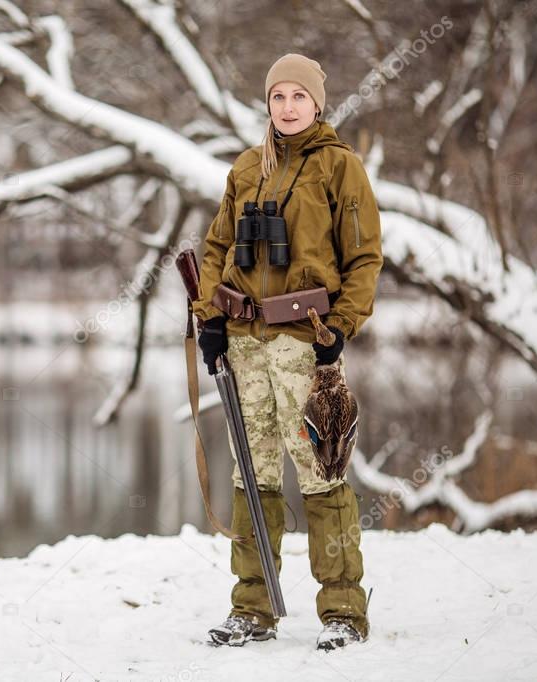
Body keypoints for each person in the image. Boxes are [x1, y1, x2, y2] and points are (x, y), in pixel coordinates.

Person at [192, 53, 383, 651]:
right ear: (268, 103)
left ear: (318, 104)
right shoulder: (247, 167)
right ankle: (252, 608)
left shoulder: (339, 168)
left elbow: (364, 259)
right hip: (245, 345)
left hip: (308, 344)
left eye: (300, 96)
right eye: (279, 96)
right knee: (253, 476)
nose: (288, 107)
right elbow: (218, 245)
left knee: (324, 473)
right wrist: (210, 319)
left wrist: (341, 329)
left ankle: (344, 612)